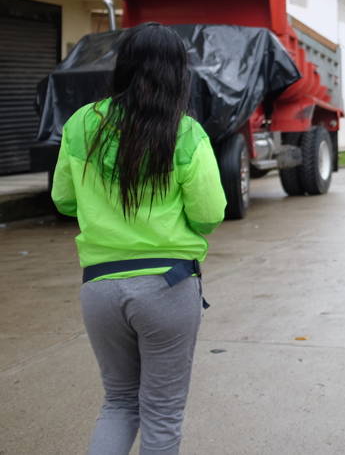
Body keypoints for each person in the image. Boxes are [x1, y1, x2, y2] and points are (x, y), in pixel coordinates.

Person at [51, 23, 227, 455]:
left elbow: (63, 200)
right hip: (167, 286)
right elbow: (209, 214)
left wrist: (102, 212)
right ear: (177, 73)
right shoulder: (185, 132)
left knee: (118, 403)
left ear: (124, 64)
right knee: (162, 415)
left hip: (100, 287)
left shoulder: (80, 125)